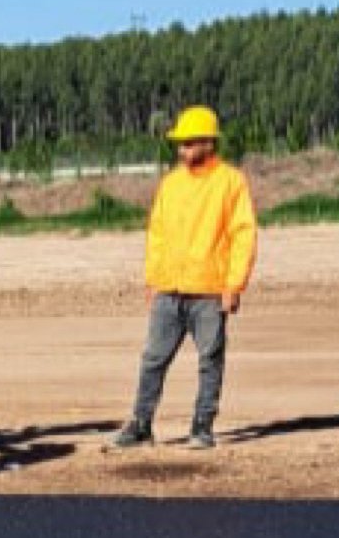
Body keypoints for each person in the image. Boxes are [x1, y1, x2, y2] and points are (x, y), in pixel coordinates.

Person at [109, 105, 258, 451]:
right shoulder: (171, 184)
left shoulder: (231, 182)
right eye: (180, 144)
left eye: (188, 143)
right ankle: (141, 425)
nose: (182, 150)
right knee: (153, 359)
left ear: (208, 142)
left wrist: (234, 285)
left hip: (210, 290)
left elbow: (243, 234)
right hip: (169, 289)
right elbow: (157, 234)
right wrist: (153, 279)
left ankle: (202, 427)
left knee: (210, 361)